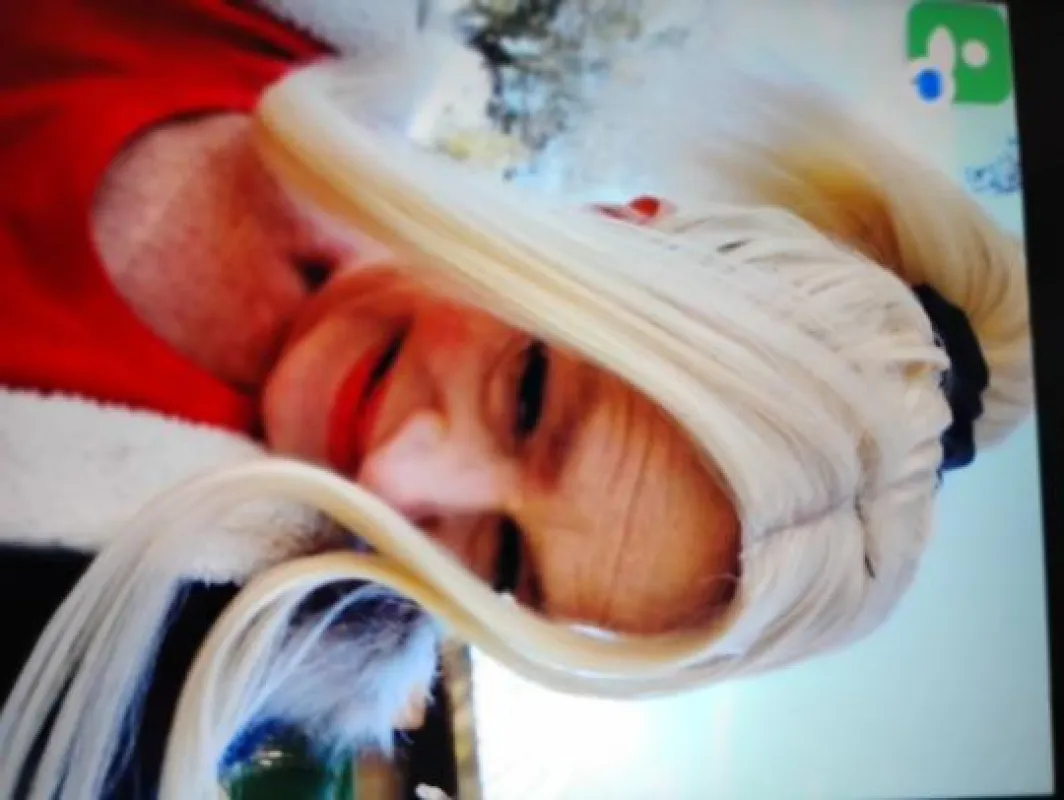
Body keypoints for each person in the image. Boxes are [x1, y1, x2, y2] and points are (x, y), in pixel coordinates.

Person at [0, 1, 1033, 798]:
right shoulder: (272, 24)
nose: (394, 475)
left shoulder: (93, 701)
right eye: (528, 396)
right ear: (618, 224)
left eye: (500, 559)